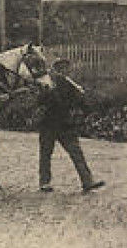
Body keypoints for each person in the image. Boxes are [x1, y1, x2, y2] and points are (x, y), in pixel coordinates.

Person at [37, 58, 105, 194]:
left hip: (65, 124)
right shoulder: (46, 83)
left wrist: (83, 100)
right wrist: (48, 91)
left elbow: (81, 103)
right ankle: (44, 182)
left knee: (76, 153)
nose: (64, 71)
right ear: (56, 70)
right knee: (45, 153)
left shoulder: (70, 85)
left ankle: (87, 182)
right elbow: (39, 102)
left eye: (66, 69)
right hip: (49, 124)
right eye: (61, 69)